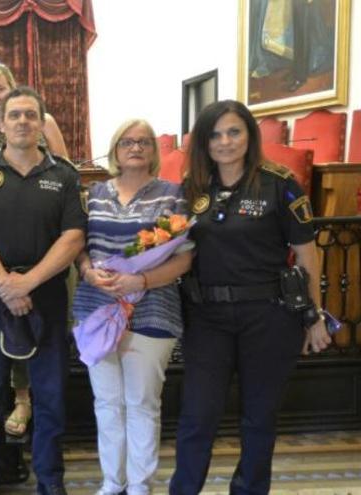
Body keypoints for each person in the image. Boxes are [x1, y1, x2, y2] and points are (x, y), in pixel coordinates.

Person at [169, 100, 332, 495]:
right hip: (207, 317)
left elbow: (308, 254)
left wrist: (315, 316)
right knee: (198, 417)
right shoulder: (192, 187)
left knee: (259, 418)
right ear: (204, 142)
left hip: (269, 316)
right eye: (215, 134)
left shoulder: (280, 183)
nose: (225, 142)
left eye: (234, 132)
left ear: (249, 135)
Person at [0, 87, 85, 495]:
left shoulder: (63, 174)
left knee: (49, 394)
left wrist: (27, 283)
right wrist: (4, 284)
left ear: (42, 122)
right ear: (1, 122)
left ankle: (50, 480)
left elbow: (72, 238)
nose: (22, 122)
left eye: (31, 115)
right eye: (14, 115)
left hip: (45, 294)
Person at [72, 119, 192, 495]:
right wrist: (89, 271)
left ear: (154, 151)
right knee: (107, 402)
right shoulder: (94, 194)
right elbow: (80, 247)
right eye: (127, 141)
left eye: (143, 142)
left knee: (141, 402)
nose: (135, 147)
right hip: (97, 306)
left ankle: (140, 484)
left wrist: (139, 281)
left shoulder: (172, 194)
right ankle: (112, 482)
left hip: (153, 308)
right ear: (115, 149)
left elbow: (184, 258)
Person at [0, 64, 69, 435]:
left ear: (13, 88)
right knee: (0, 338)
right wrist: (5, 279)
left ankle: (28, 402)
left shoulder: (42, 122)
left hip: (45, 252)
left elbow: (65, 174)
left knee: (41, 339)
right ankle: (16, 399)